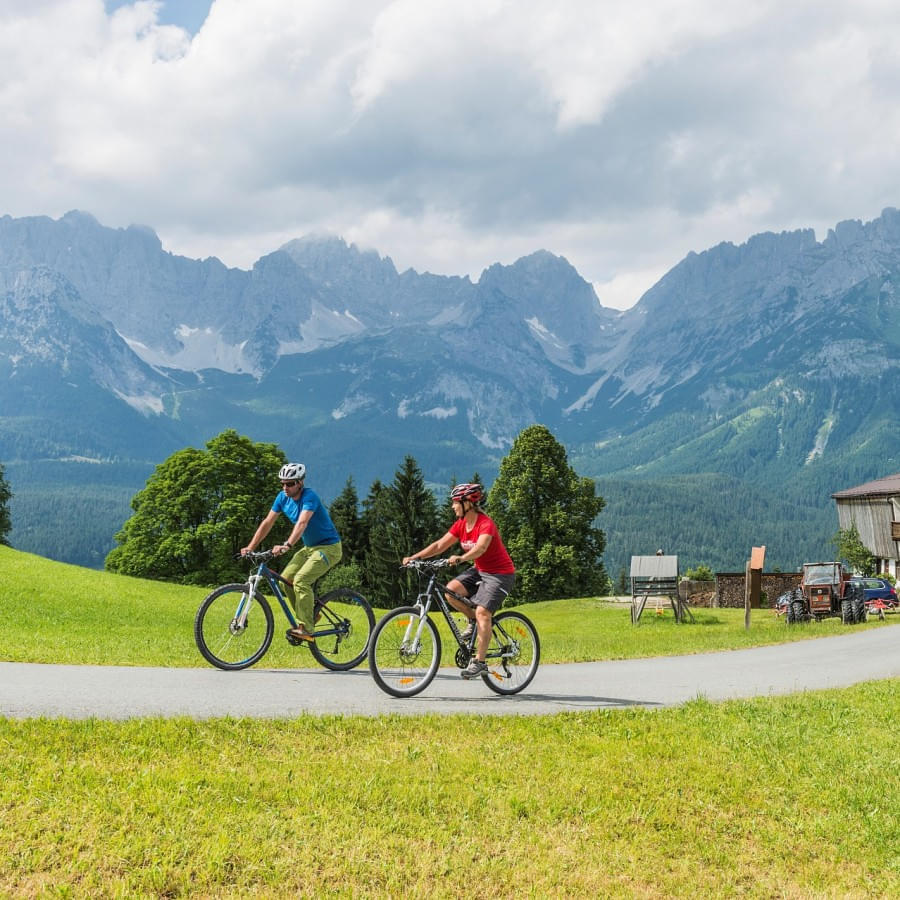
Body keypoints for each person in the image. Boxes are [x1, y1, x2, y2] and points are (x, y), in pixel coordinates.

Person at [402, 483, 515, 679]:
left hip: (500, 574)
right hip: (480, 570)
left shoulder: (485, 524)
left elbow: (480, 548)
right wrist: (415, 557)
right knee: (450, 591)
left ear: (467, 503)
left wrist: (462, 558)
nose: (453, 506)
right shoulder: (461, 524)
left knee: (483, 612)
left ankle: (479, 662)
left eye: (455, 502)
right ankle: (473, 621)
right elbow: (439, 545)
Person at [241, 462, 342, 642]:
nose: (285, 487)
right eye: (282, 483)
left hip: (329, 548)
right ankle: (311, 616)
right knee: (285, 581)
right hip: (309, 548)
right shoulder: (282, 498)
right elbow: (267, 522)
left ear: (300, 483)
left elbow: (302, 523)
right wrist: (251, 547)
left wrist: (287, 545)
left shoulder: (310, 497)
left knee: (301, 580)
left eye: (290, 483)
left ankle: (306, 628)